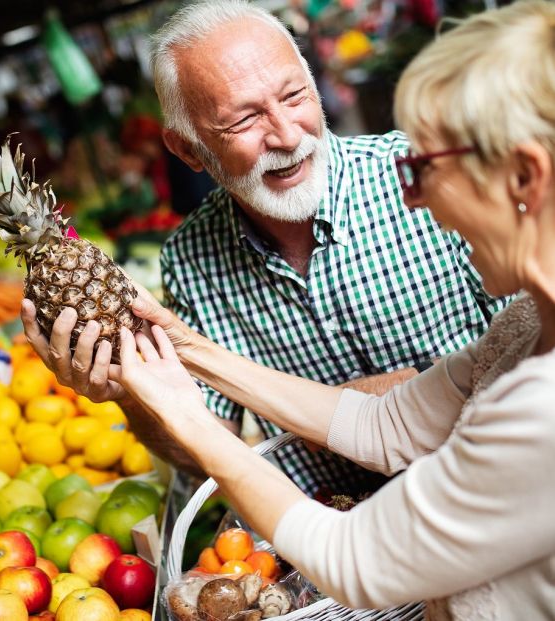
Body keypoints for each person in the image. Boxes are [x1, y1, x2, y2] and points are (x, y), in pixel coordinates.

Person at [109, 1, 555, 617]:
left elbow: (358, 562)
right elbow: (388, 425)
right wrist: (186, 352)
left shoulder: (541, 403)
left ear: (526, 180)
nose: (416, 196)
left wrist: (188, 417)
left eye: (426, 167)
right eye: (245, 119)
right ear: (189, 149)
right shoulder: (524, 329)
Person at [21, 0, 507, 497]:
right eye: (242, 121)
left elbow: (536, 350)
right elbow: (214, 447)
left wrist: (389, 400)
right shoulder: (191, 260)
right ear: (188, 149)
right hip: (340, 537)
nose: (287, 134)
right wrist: (132, 396)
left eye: (294, 96)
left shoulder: (422, 177)